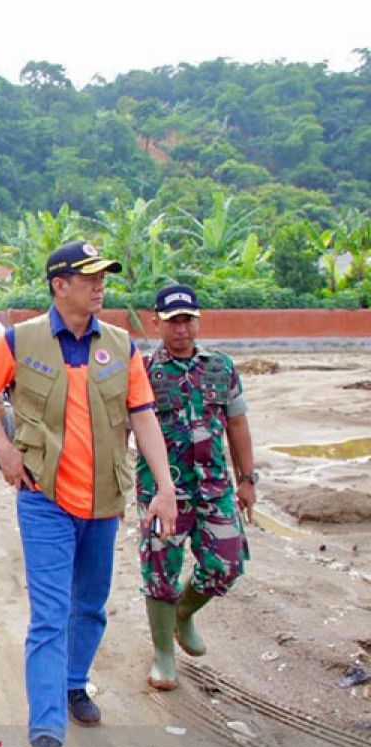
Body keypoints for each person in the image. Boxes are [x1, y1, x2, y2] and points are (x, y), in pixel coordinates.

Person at [0, 241, 178, 747]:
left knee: (90, 606)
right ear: (59, 285)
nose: (99, 284)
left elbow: (143, 416)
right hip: (45, 498)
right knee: (50, 614)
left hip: (104, 499)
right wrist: (1, 445)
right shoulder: (20, 340)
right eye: (89, 277)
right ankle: (45, 732)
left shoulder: (122, 346)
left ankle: (71, 683)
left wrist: (164, 484)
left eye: (102, 276)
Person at [138, 285, 255, 691]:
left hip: (215, 487)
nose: (181, 328)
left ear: (198, 321)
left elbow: (238, 425)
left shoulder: (221, 367)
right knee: (160, 571)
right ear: (157, 323)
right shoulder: (143, 371)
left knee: (226, 563)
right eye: (172, 320)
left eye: (187, 319)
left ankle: (184, 613)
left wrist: (247, 479)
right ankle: (163, 654)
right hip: (163, 491)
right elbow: (125, 426)